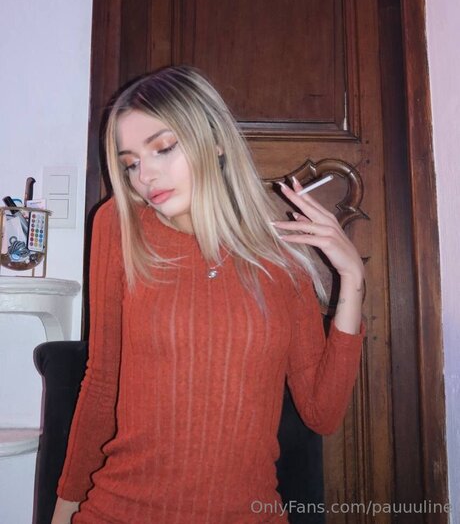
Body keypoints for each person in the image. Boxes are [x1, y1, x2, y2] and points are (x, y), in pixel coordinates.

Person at [52, 65, 365, 524]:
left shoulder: (280, 258)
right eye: (131, 163)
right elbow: (102, 383)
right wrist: (63, 512)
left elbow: (322, 412)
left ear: (215, 141)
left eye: (163, 148)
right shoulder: (119, 227)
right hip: (120, 511)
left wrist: (352, 279)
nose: (145, 176)